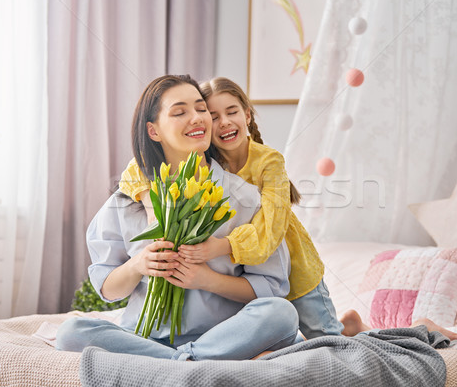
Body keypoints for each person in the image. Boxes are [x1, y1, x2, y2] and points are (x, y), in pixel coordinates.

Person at [56, 75, 299, 361]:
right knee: (71, 331)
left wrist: (206, 279)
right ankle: (188, 362)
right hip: (146, 337)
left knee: (282, 314)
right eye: (180, 112)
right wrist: (138, 264)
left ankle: (179, 361)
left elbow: (270, 288)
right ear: (153, 131)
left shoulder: (245, 198)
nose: (197, 118)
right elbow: (108, 289)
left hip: (224, 336)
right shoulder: (127, 201)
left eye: (200, 109)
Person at [120, 76, 344, 339]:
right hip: (252, 275)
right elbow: (138, 166)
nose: (223, 122)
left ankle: (349, 328)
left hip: (293, 264)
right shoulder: (206, 156)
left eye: (232, 111)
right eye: (212, 116)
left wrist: (220, 246)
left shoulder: (269, 161)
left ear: (247, 115)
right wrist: (150, 208)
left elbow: (269, 231)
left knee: (326, 338)